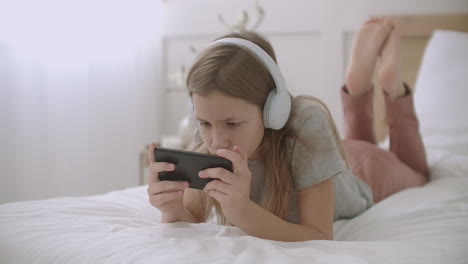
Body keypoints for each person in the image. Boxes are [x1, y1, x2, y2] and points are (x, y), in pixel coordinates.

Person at [147, 17, 429, 242]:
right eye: (204, 123)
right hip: (328, 157)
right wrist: (172, 210)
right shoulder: (212, 122)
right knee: (357, 139)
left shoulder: (307, 123)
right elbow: (194, 217)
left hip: (365, 171)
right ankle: (358, 89)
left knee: (418, 173)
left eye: (232, 124)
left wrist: (243, 211)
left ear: (274, 110)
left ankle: (392, 89)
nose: (217, 141)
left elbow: (319, 235)